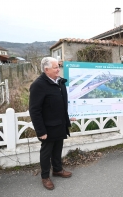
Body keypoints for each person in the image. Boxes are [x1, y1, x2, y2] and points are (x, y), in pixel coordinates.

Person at [29, 57, 76, 190]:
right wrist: (40, 131)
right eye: (55, 67)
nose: (58, 69)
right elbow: (34, 110)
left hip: (60, 124)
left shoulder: (59, 82)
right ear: (46, 69)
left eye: (58, 66)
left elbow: (61, 104)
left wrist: (68, 119)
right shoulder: (38, 85)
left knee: (58, 148)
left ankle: (57, 169)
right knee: (46, 152)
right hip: (48, 127)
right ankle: (45, 176)